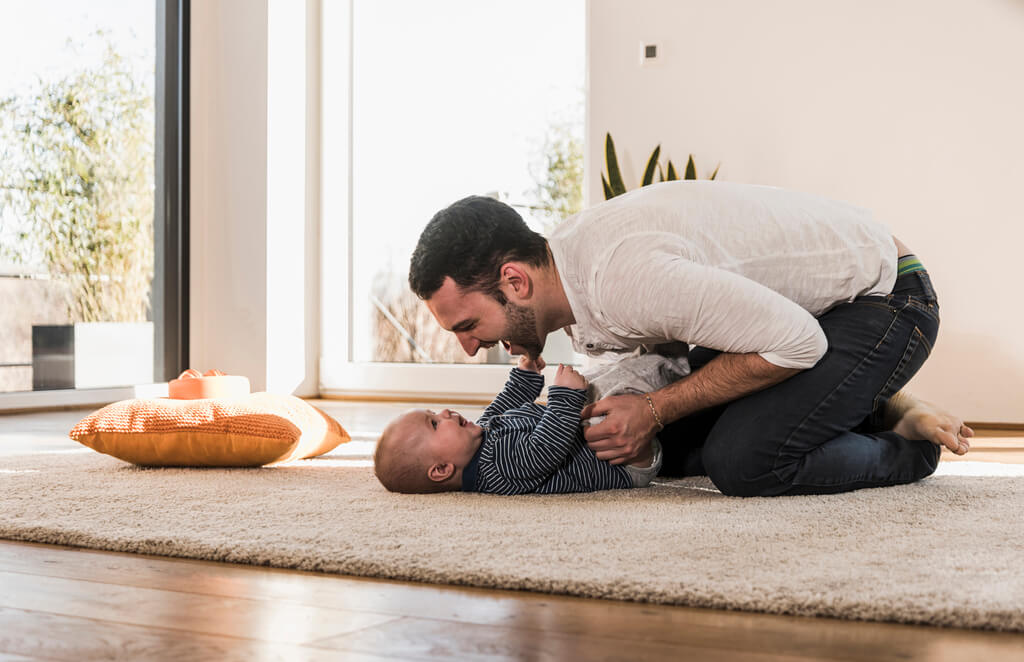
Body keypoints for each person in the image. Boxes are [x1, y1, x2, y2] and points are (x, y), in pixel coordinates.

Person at [408, 180, 974, 497]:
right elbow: (655, 363)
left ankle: (907, 445)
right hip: (805, 314)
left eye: (467, 326)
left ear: (514, 281)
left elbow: (798, 344)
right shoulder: (568, 274)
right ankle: (868, 401)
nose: (468, 346)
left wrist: (654, 409)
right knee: (675, 436)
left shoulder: (626, 279)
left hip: (885, 301)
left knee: (743, 460)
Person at [373, 356, 664, 494]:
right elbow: (544, 449)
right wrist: (564, 395)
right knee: (616, 384)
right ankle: (674, 366)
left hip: (590, 433)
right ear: (442, 469)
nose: (445, 411)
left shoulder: (479, 436)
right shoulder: (497, 468)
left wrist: (525, 375)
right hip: (621, 461)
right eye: (435, 424)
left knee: (597, 376)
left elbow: (504, 404)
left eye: (434, 412)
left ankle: (665, 360)